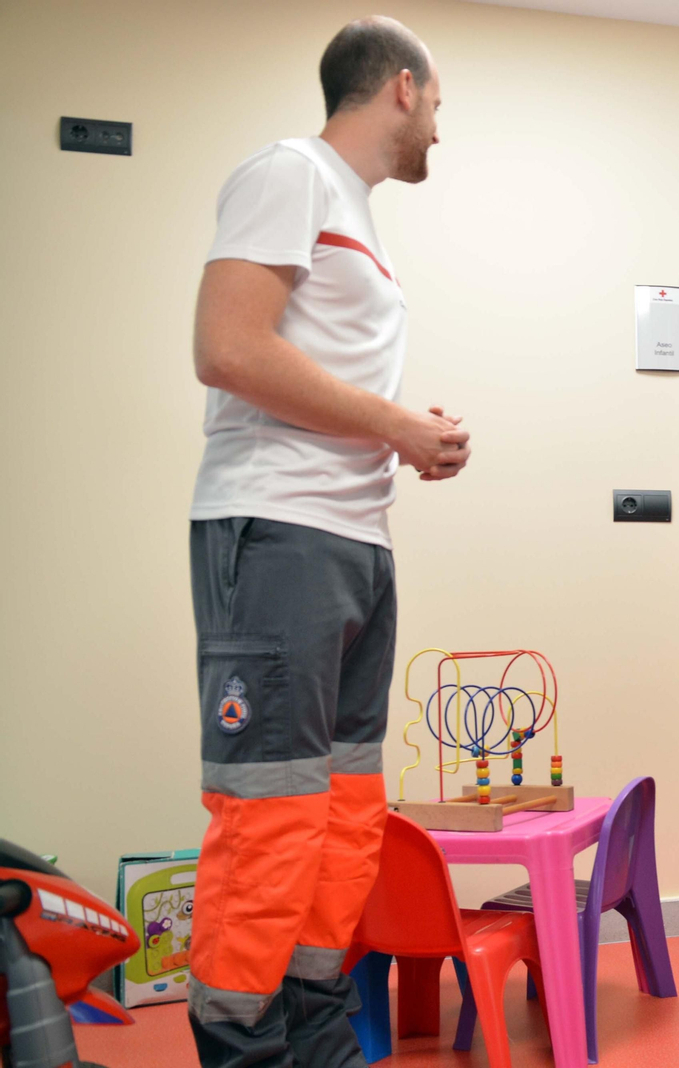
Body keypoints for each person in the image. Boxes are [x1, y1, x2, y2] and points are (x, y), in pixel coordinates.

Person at [185, 17, 465, 1067]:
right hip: (279, 530)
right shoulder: (290, 173)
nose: (439, 128)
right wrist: (394, 424)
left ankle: (316, 1036)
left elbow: (309, 370)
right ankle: (243, 1048)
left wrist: (405, 436)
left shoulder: (356, 216)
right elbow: (226, 347)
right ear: (403, 87)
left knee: (345, 813)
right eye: (438, 104)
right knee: (272, 815)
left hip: (355, 536)